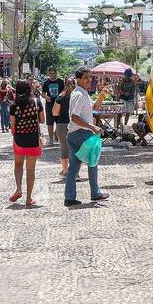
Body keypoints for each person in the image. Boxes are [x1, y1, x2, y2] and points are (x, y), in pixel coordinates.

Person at [65, 68, 107, 206]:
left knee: (73, 168)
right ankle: (95, 193)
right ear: (78, 79)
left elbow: (93, 107)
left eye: (90, 77)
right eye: (85, 77)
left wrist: (101, 95)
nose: (89, 79)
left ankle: (70, 198)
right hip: (82, 135)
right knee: (93, 162)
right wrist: (92, 127)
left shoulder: (82, 93)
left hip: (74, 135)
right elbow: (74, 117)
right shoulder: (79, 95)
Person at [9, 80, 44, 206]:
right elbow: (42, 120)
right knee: (31, 170)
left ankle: (18, 188)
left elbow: (12, 124)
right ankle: (29, 198)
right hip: (33, 138)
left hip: (19, 138)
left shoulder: (14, 105)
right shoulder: (36, 102)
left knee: (18, 165)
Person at [52, 76, 75, 176]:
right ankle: (75, 171)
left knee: (64, 149)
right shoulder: (78, 96)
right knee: (75, 149)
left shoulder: (61, 97)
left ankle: (65, 171)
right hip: (76, 125)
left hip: (62, 125)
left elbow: (54, 113)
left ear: (64, 84)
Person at [42, 68, 66, 148]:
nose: (52, 75)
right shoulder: (46, 82)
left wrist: (61, 95)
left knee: (59, 123)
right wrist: (46, 97)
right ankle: (51, 140)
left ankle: (58, 137)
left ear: (56, 73)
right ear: (48, 74)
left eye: (53, 73)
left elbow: (64, 91)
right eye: (50, 73)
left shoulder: (60, 81)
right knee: (50, 123)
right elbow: (43, 93)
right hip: (49, 105)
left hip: (59, 104)